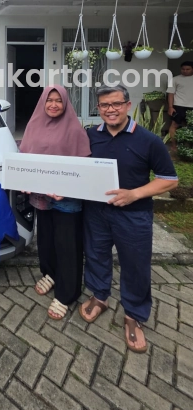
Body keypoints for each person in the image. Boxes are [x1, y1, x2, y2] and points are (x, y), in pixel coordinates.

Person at [80, 84, 178, 353]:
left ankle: (134, 315)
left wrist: (134, 194)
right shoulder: (90, 136)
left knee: (135, 265)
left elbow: (169, 180)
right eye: (104, 105)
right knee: (96, 255)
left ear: (127, 105)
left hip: (134, 215)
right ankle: (100, 296)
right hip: (96, 212)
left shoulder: (149, 140)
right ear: (98, 108)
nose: (110, 110)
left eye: (116, 104)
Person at [19, 85, 90, 320]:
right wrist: (23, 180)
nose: (53, 105)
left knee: (67, 245)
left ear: (66, 103)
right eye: (49, 100)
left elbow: (83, 167)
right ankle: (50, 273)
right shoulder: (33, 125)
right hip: (41, 197)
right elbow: (24, 158)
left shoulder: (75, 129)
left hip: (66, 199)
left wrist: (67, 188)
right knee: (46, 240)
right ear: (43, 102)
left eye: (58, 100)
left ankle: (66, 294)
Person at [167, 60, 193, 150]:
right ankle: (173, 146)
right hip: (178, 106)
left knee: (189, 127)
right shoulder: (175, 79)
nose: (185, 71)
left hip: (191, 107)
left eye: (188, 69)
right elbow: (171, 93)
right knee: (174, 125)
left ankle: (187, 147)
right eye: (183, 69)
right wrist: (170, 107)